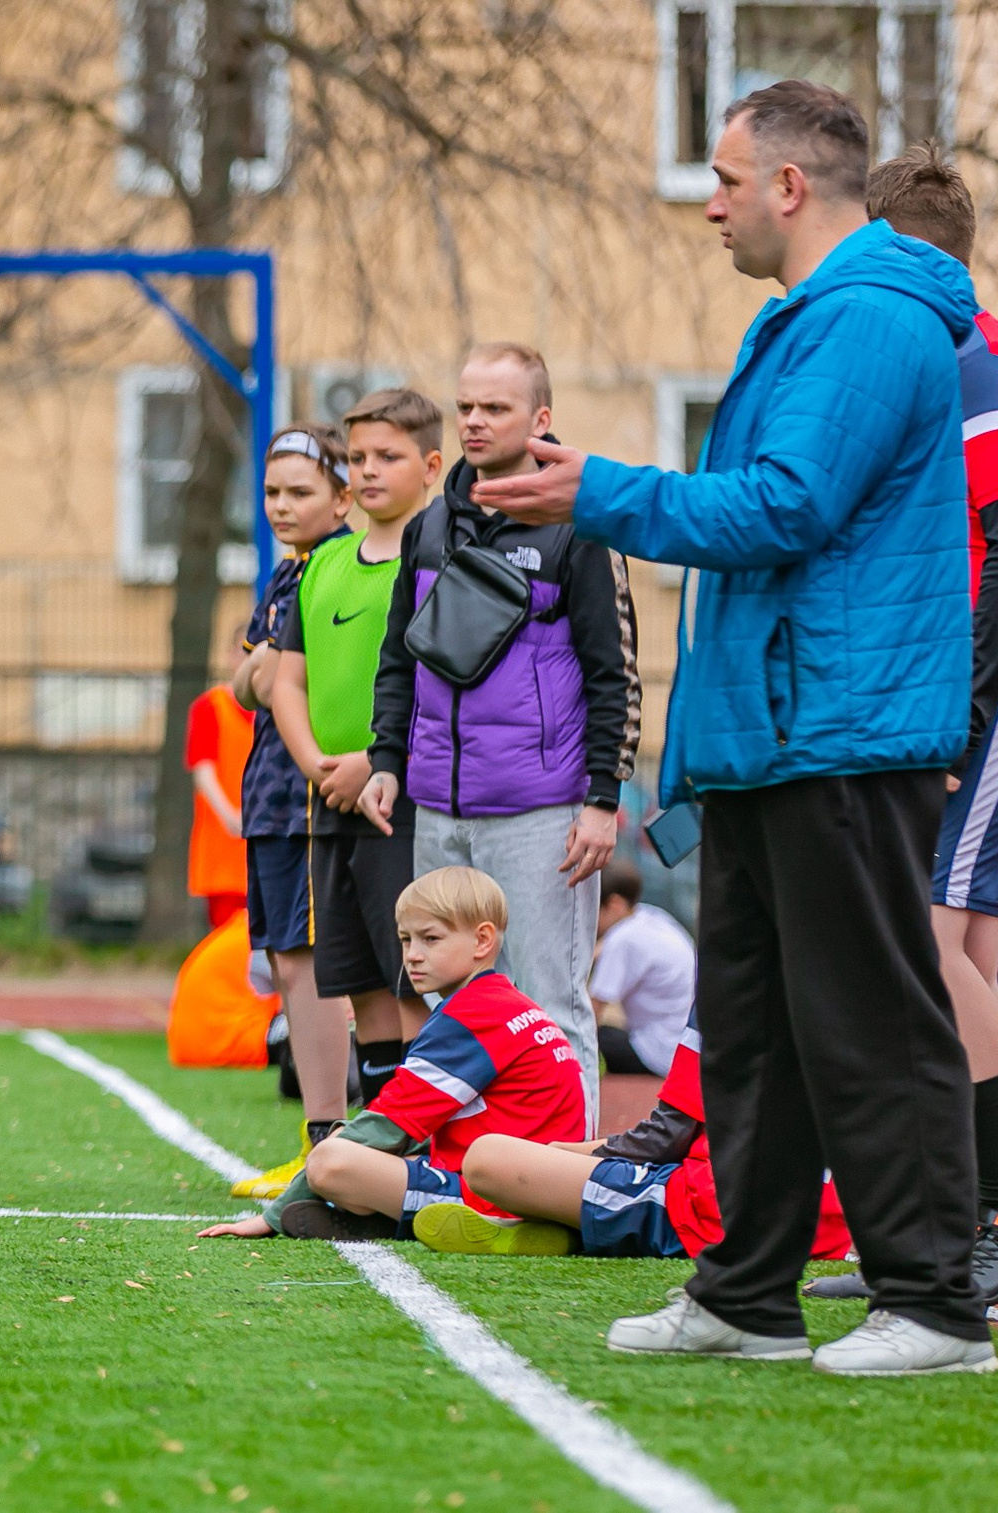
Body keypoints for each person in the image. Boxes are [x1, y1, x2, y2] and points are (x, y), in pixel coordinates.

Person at [479, 81, 993, 1376]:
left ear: (788, 186)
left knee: (869, 1024)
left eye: (720, 178)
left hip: (844, 735)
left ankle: (934, 1306)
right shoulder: (807, 320)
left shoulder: (869, 319)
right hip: (779, 736)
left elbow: (784, 506)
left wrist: (597, 489)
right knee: (753, 1032)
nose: (707, 204)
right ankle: (747, 1294)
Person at [798, 141, 998, 1305]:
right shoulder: (942, 357)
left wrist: (957, 712)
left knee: (924, 936)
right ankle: (947, 1223)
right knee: (957, 947)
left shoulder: (980, 361)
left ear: (896, 252)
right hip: (974, 687)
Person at [359, 345, 640, 1127]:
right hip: (438, 806)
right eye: (467, 407)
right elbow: (399, 657)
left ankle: (569, 1173)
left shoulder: (580, 530)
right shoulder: (428, 528)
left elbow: (615, 672)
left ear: (540, 419)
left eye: (496, 407)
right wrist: (387, 759)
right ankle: (471, 1163)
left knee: (549, 999)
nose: (476, 421)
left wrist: (602, 798)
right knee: (452, 1003)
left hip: (542, 810)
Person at [197, 865, 586, 1242]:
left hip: (499, 1195)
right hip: (540, 1188)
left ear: (483, 941)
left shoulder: (470, 1017)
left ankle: (412, 1220)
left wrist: (274, 1214)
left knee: (329, 1161)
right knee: (371, 1147)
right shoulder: (507, 1004)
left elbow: (387, 1125)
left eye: (430, 939)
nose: (412, 955)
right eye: (405, 940)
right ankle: (389, 1215)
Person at [270, 390, 442, 1114]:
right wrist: (318, 765)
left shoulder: (440, 559)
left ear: (430, 466)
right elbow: (288, 680)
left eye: (388, 456)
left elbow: (439, 679)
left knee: (411, 980)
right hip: (329, 797)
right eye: (360, 457)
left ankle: (425, 1142)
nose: (368, 470)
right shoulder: (325, 564)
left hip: (399, 798)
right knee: (359, 982)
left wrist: (377, 761)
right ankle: (379, 1133)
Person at [413, 1009, 852, 1267]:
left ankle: (556, 1223)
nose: (413, 955)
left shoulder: (737, 965)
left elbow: (665, 1137)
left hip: (721, 1207)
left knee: (486, 1158)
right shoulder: (848, 974)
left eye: (429, 939)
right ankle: (554, 1224)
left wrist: (561, 1152)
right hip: (835, 1213)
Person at [227, 425, 356, 1199]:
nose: (281, 505)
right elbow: (245, 681)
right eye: (273, 491)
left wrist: (265, 670)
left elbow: (276, 677)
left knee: (311, 964)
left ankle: (331, 1142)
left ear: (342, 498)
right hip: (270, 792)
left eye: (300, 491)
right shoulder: (286, 572)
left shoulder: (337, 567)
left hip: (311, 796)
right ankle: (318, 1138)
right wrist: (262, 670)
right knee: (285, 960)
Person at [590, 859, 694, 1078]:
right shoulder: (650, 916)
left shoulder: (622, 940)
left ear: (614, 904)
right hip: (686, 1044)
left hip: (659, 1053)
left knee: (591, 1035)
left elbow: (592, 1010)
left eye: (593, 911)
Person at [183, 678, 253, 931]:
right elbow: (203, 770)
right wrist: (231, 817)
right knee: (230, 933)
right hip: (225, 849)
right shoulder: (211, 706)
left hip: (268, 841)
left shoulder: (281, 706)